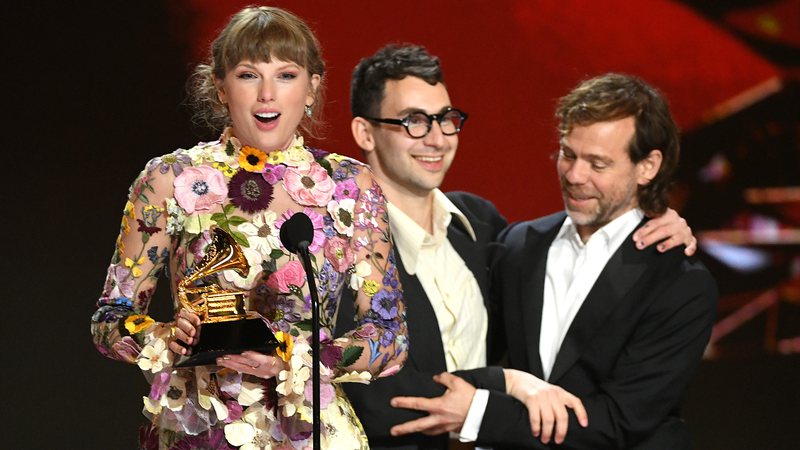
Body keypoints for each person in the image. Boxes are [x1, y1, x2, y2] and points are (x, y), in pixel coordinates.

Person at [335, 46, 700, 450]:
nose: (437, 138)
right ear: (365, 133)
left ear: (647, 166)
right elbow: (363, 389)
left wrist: (656, 216)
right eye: (414, 121)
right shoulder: (337, 245)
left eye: (445, 119)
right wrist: (506, 383)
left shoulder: (480, 227)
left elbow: (625, 419)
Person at [90, 6, 407, 449]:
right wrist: (164, 336)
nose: (266, 95)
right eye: (247, 75)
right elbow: (109, 320)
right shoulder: (168, 179)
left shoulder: (352, 187)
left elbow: (390, 334)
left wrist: (301, 360)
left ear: (312, 87)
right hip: (199, 430)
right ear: (220, 87)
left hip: (313, 433)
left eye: (286, 75)